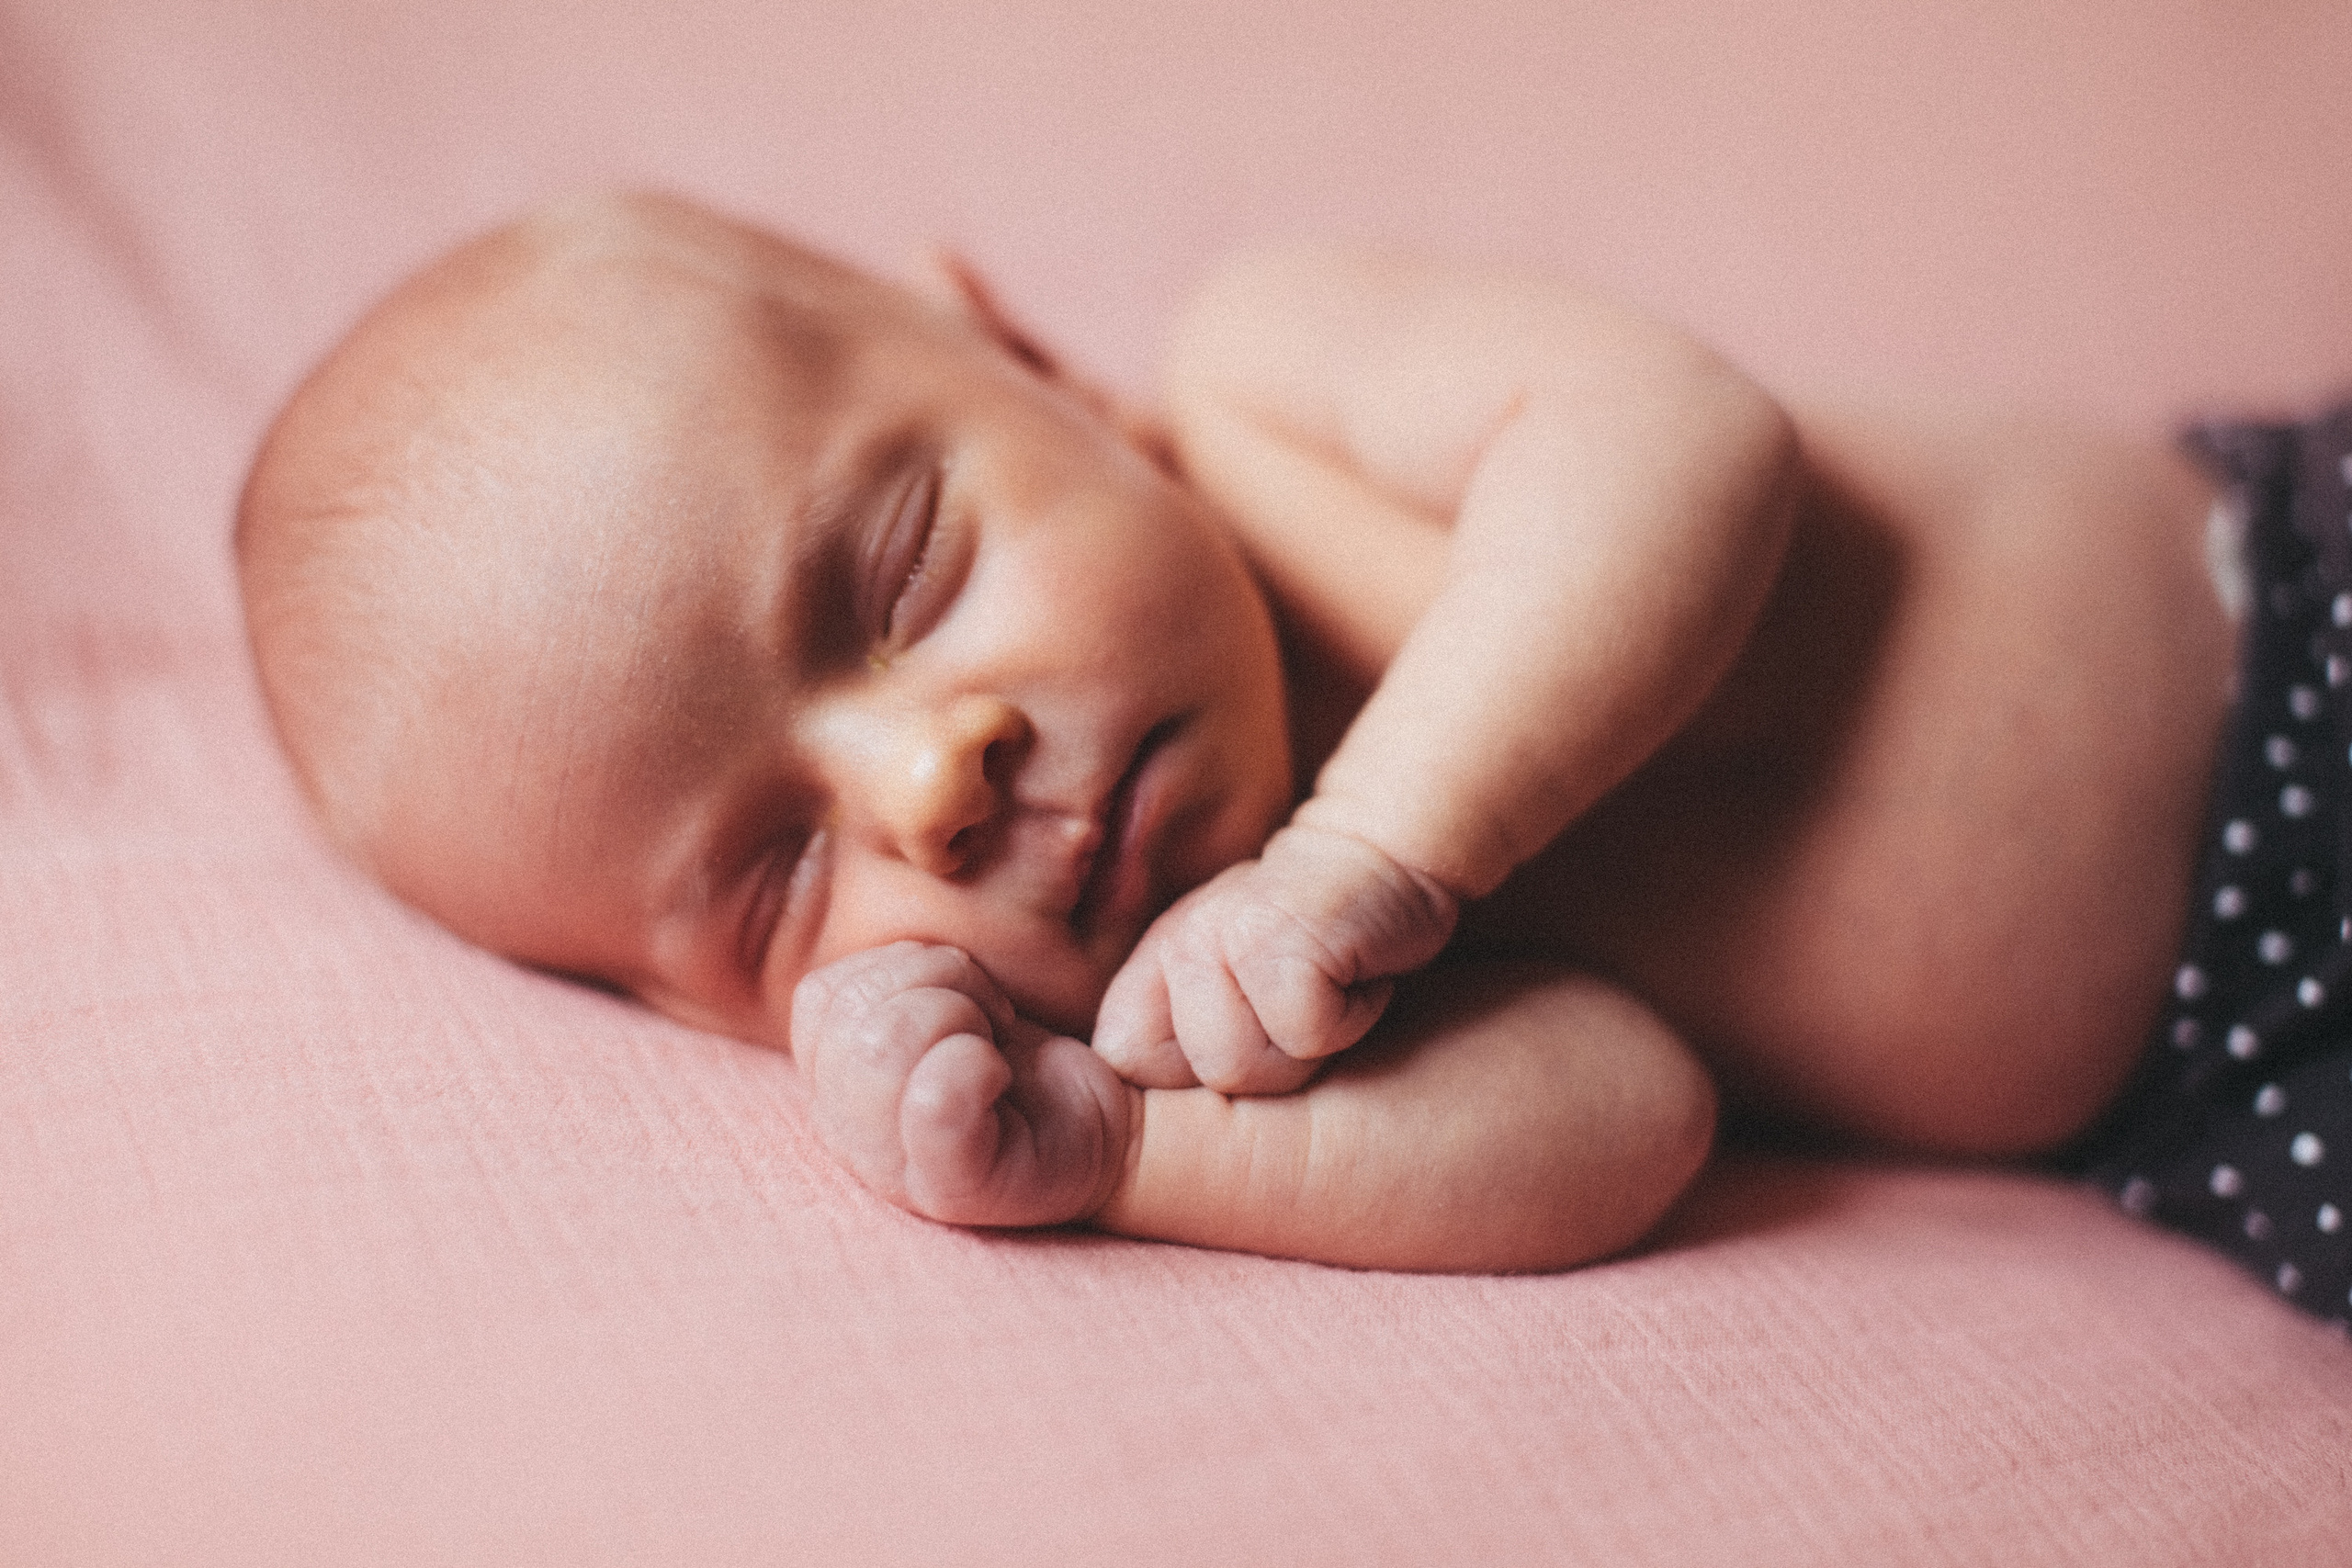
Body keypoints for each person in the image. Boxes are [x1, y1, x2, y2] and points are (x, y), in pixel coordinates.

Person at [237, 191, 2346, 1305]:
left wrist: (1380, 843)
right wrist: (1113, 1146)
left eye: (899, 572)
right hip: (2231, 1072)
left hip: (2284, 610)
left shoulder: (1265, 375)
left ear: (1016, 352)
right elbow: (1621, 1117)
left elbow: (1675, 442)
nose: (924, 785)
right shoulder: (1216, 982)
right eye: (784, 877)